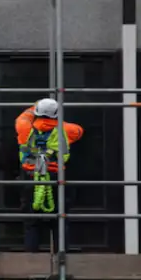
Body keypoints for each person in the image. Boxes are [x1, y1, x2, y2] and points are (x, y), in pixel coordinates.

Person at [15, 98, 83, 253]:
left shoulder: (24, 126)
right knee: (60, 221)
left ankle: (31, 263)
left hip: (31, 176)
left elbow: (22, 117)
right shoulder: (66, 130)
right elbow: (78, 131)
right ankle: (62, 263)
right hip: (55, 177)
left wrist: (36, 107)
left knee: (32, 223)